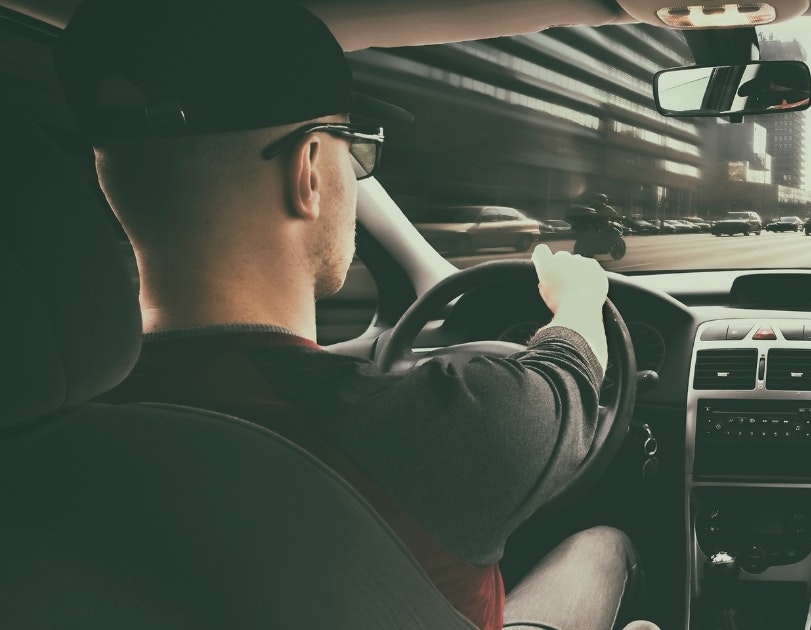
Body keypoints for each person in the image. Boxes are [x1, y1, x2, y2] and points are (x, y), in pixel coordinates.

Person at [55, 1, 644, 629]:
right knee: (610, 549)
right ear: (309, 169)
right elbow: (567, 383)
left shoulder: (52, 423)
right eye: (354, 149)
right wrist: (580, 295)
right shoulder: (424, 435)